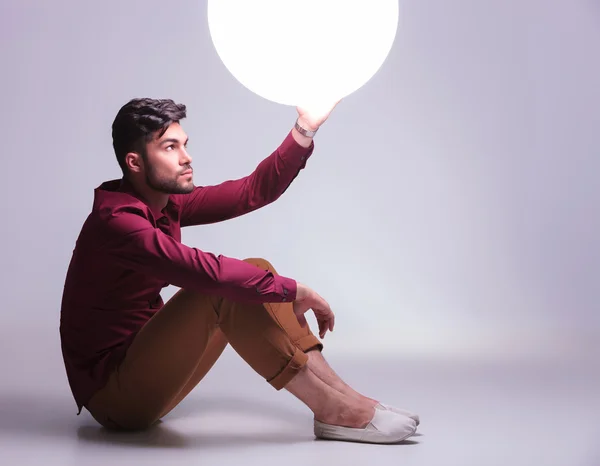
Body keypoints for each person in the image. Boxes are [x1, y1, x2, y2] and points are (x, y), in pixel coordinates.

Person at [59, 97, 420, 444]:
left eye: (184, 144)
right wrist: (296, 290)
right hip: (116, 399)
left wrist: (304, 129)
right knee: (222, 289)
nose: (186, 158)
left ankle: (347, 398)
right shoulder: (118, 223)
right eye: (170, 148)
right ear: (135, 163)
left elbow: (253, 191)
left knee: (256, 273)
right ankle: (334, 411)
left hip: (146, 366)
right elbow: (206, 274)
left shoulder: (165, 203)